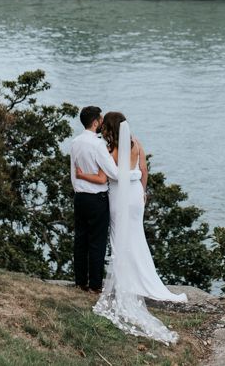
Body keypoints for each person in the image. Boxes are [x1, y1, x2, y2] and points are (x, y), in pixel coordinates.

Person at [75, 111, 187, 343]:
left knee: (119, 237)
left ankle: (125, 280)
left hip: (119, 196)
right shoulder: (136, 143)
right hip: (136, 195)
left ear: (111, 128)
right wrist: (143, 191)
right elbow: (144, 171)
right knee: (136, 236)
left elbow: (111, 176)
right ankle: (142, 277)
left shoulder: (110, 148)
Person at [69, 106, 139, 292]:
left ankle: (80, 282)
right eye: (100, 120)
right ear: (95, 123)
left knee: (80, 241)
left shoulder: (75, 142)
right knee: (97, 243)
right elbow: (114, 174)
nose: (102, 123)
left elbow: (73, 174)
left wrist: (80, 184)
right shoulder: (98, 145)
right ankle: (95, 285)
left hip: (80, 197)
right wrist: (135, 173)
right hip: (96, 198)